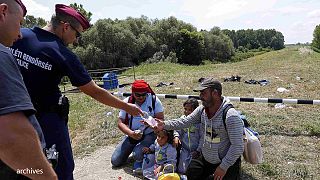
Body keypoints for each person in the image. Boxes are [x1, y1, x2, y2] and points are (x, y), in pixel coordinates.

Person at [10, 4, 143, 180]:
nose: (76, 40)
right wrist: (128, 107)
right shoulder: (63, 54)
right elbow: (94, 91)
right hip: (47, 121)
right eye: (77, 34)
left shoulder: (18, 36)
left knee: (20, 167)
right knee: (60, 167)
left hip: (12, 118)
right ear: (65, 27)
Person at [0, 0, 57, 179]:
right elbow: (11, 137)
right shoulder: (1, 54)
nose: (20, 34)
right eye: (19, 23)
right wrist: (45, 175)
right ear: (3, 12)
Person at [154, 78, 244, 180]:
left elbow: (237, 147)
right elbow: (185, 122)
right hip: (206, 159)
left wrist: (223, 167)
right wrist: (164, 124)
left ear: (215, 93)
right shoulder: (202, 109)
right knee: (191, 172)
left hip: (224, 163)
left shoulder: (230, 116)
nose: (200, 97)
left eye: (203, 93)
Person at [111, 79, 164, 174]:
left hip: (149, 133)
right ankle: (133, 149)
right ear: (133, 93)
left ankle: (140, 156)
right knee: (115, 161)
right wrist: (130, 133)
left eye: (144, 94)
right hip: (133, 134)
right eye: (138, 95)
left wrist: (151, 123)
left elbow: (161, 120)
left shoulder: (154, 100)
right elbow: (120, 122)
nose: (141, 97)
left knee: (138, 153)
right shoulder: (127, 102)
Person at [175, 98, 201, 174]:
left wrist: (198, 150)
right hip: (185, 149)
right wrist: (176, 136)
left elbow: (203, 138)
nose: (187, 112)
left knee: (191, 171)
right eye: (185, 109)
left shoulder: (200, 122)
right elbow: (177, 129)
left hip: (196, 151)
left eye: (190, 110)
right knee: (181, 170)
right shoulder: (182, 119)